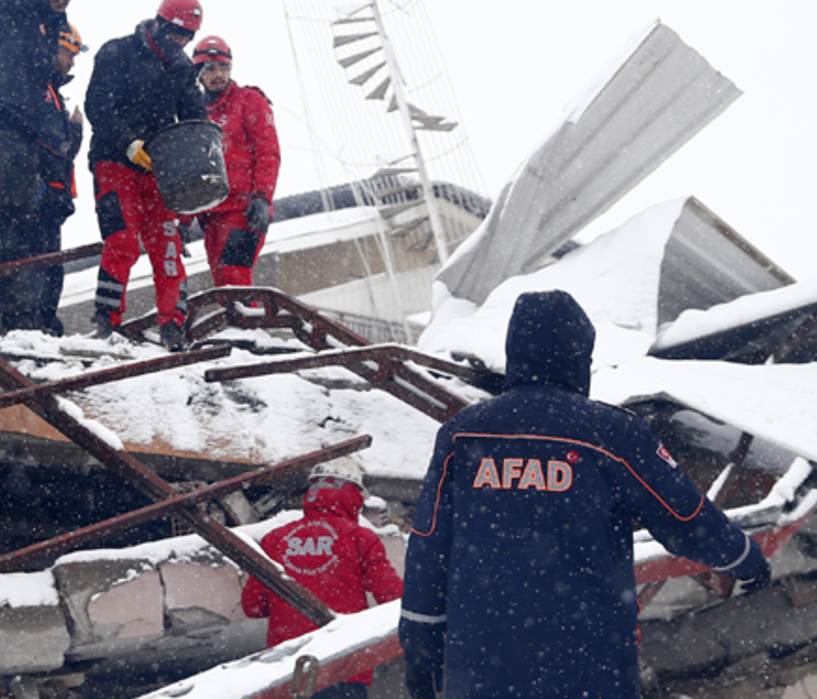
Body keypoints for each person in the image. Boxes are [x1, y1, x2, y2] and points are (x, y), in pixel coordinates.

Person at [399, 290, 771, 699]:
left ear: (515, 349)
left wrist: (420, 654)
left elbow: (429, 546)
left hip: (484, 668)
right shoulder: (612, 434)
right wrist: (746, 560)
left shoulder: (463, 433)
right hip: (587, 664)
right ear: (579, 355)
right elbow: (685, 518)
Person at [0, 0, 148, 336]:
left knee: (19, 222)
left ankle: (17, 316)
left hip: (25, 130)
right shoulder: (10, 1)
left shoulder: (51, 29)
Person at [84, 0, 208, 351]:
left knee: (167, 245)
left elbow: (193, 113)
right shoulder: (116, 52)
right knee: (122, 241)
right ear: (159, 24)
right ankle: (107, 321)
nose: (180, 44)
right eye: (176, 35)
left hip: (159, 167)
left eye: (187, 38)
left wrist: (198, 152)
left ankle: (173, 325)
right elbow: (98, 106)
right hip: (113, 160)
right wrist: (128, 142)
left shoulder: (183, 68)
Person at [241, 456, 404, 699]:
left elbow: (253, 607)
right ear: (353, 496)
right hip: (342, 669)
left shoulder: (275, 540)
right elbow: (392, 598)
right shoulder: (360, 538)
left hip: (287, 675)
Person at [189, 35, 280, 287]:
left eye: (223, 67)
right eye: (209, 68)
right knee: (222, 284)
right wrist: (184, 220)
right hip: (211, 213)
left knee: (234, 276)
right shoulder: (195, 114)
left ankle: (246, 326)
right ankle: (237, 325)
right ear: (198, 73)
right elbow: (192, 170)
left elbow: (268, 153)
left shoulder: (250, 101)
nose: (218, 74)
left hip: (245, 209)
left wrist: (262, 197)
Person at [28, 24, 87, 336]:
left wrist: (74, 130)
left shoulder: (53, 94)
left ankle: (45, 320)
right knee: (40, 265)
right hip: (42, 197)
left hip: (54, 198)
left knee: (52, 267)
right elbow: (47, 148)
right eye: (70, 54)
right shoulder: (37, 90)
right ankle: (38, 322)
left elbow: (63, 155)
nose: (72, 63)